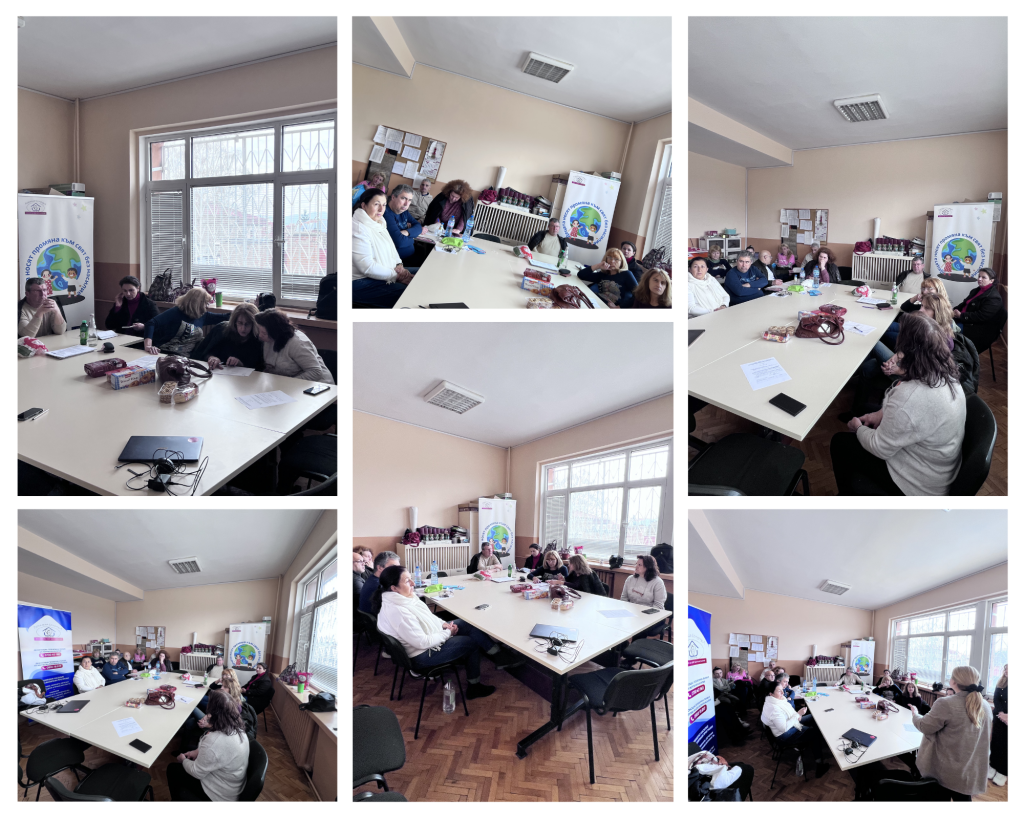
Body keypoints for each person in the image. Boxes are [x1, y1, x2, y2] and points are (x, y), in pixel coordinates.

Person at [830, 313, 967, 496]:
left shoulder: (911, 397)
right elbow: (911, 413)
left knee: (840, 443)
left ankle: (849, 496)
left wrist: (858, 429)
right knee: (865, 410)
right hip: (937, 464)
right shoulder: (945, 372)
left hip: (918, 484)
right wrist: (881, 414)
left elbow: (880, 448)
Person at [374, 565, 519, 699]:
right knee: (472, 644)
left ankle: (498, 655)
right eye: (407, 581)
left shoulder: (403, 599)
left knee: (467, 624)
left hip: (426, 641)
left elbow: (429, 617)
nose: (413, 583)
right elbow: (422, 642)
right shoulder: (398, 611)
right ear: (394, 588)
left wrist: (444, 625)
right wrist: (447, 633)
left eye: (411, 578)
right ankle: (474, 687)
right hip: (422, 655)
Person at [908, 665, 992, 800]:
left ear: (953, 682)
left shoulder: (946, 703)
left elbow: (924, 726)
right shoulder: (986, 706)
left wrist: (915, 714)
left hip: (946, 771)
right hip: (969, 770)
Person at [167, 689, 250, 801]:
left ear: (213, 713)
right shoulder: (237, 727)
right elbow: (218, 752)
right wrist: (197, 752)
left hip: (219, 794)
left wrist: (183, 760)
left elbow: (197, 773)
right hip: (232, 783)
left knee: (172, 769)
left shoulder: (215, 741)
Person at [352, 187, 414, 308]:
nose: (381, 209)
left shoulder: (379, 223)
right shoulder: (357, 228)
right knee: (411, 293)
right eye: (376, 204)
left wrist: (398, 265)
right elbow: (367, 267)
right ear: (364, 206)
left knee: (421, 276)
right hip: (360, 282)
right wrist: (397, 276)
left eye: (384, 205)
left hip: (387, 272)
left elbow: (391, 247)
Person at [762, 680, 830, 777]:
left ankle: (815, 744)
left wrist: (797, 716)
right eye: (779, 691)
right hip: (785, 734)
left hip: (791, 723)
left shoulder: (776, 700)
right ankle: (819, 765)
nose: (783, 693)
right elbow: (783, 728)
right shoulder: (774, 708)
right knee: (815, 733)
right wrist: (798, 715)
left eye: (782, 690)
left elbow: (789, 717)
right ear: (771, 694)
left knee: (813, 717)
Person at [253, 309, 334, 383]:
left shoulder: (297, 343)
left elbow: (316, 372)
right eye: (259, 331)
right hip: (290, 385)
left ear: (275, 332)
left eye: (264, 333)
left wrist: (289, 383)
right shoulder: (268, 339)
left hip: (319, 385)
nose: (260, 335)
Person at [144, 287, 228, 356]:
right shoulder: (176, 312)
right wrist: (148, 346)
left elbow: (226, 317)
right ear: (198, 303)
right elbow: (151, 323)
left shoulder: (203, 315)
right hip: (166, 354)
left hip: (187, 358)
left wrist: (240, 310)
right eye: (206, 303)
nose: (207, 306)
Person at [880, 276, 949, 350]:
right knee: (885, 326)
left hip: (918, 335)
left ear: (939, 290)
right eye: (923, 288)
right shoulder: (925, 303)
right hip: (914, 328)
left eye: (930, 289)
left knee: (883, 335)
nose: (925, 291)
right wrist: (915, 298)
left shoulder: (940, 306)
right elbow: (904, 307)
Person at [191, 302, 264, 371]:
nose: (243, 328)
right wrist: (212, 358)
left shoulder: (258, 340)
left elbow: (258, 367)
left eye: (247, 324)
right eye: (240, 323)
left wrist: (241, 364)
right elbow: (203, 352)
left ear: (254, 324)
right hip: (218, 375)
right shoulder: (221, 330)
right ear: (234, 322)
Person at [952, 267, 1004, 352]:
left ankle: (953, 358)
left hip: (976, 328)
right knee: (940, 324)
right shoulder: (976, 290)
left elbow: (981, 316)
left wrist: (961, 315)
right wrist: (954, 310)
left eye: (983, 277)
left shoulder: (994, 297)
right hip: (963, 319)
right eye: (979, 276)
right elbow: (965, 303)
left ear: (992, 280)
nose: (979, 279)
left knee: (946, 332)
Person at [621, 556, 668, 637]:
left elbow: (658, 606)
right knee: (619, 623)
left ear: (648, 567)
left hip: (653, 616)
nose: (636, 566)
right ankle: (621, 647)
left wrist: (641, 616)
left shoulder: (657, 582)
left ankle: (634, 648)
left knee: (638, 626)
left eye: (640, 565)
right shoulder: (630, 579)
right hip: (633, 613)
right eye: (636, 564)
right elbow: (623, 598)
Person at [382, 184, 424, 264]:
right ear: (393, 197)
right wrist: (412, 238)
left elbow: (418, 226)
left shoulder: (403, 211)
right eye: (403, 198)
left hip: (410, 255)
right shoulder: (386, 213)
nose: (406, 204)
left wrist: (407, 232)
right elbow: (399, 242)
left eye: (409, 200)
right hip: (398, 261)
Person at [989, 664, 1007, 787]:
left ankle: (1003, 772)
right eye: (1005, 669)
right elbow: (996, 699)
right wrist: (1002, 714)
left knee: (1006, 746)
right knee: (995, 743)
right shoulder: (1001, 682)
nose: (1006, 671)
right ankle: (993, 766)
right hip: (999, 718)